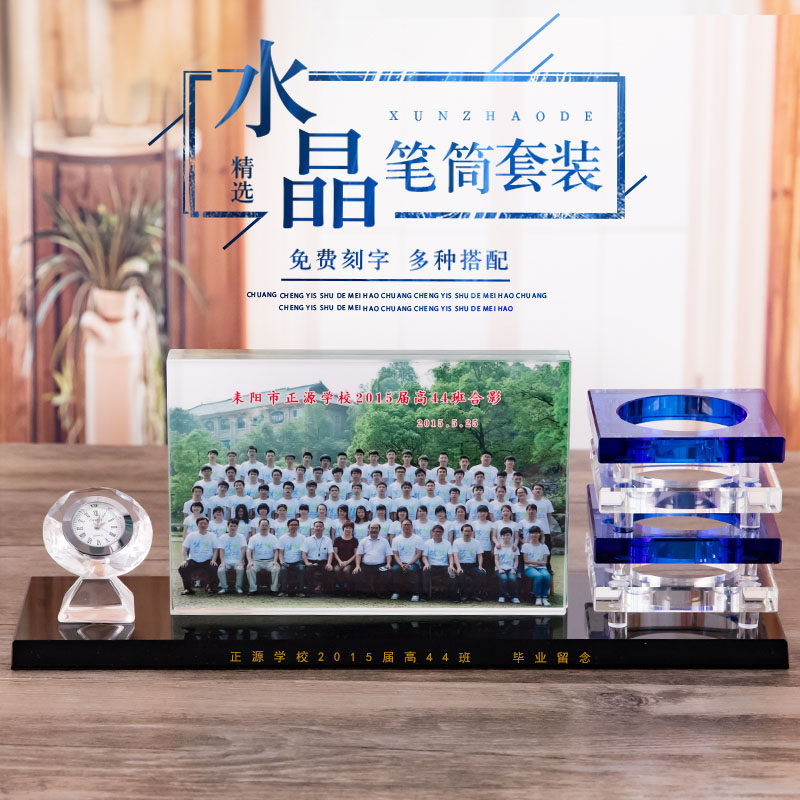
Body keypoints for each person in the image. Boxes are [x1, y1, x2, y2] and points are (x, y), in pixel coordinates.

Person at [179, 516, 219, 595]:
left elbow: (215, 550)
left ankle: (209, 587)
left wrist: (213, 560)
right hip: (193, 560)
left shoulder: (212, 536)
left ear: (208, 525)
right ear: (197, 525)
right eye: (201, 523)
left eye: (205, 523)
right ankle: (187, 588)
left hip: (207, 560)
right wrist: (184, 560)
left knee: (214, 567)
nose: (203, 525)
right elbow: (185, 548)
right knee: (182, 568)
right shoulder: (191, 535)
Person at [353, 523, 392, 595]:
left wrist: (388, 564)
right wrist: (357, 566)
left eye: (376, 528)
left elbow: (388, 554)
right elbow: (358, 554)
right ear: (368, 529)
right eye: (372, 528)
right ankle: (365, 593)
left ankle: (381, 594)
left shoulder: (384, 541)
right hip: (366, 565)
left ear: (379, 530)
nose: (374, 530)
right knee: (357, 572)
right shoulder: (363, 540)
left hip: (380, 565)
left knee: (386, 573)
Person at [390, 518, 423, 601]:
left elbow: (418, 554)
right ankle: (396, 592)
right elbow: (395, 554)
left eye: (408, 525)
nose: (406, 526)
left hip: (413, 563)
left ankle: (415, 593)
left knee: (411, 569)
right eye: (404, 525)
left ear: (412, 526)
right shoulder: (396, 539)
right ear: (401, 527)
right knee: (395, 569)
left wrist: (408, 564)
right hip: (400, 563)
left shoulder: (418, 538)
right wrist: (401, 564)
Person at [245, 519, 281, 594]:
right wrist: (250, 561)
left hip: (269, 561)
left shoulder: (273, 538)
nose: (264, 527)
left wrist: (275, 561)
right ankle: (253, 589)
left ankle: (274, 589)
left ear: (268, 527)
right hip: (257, 561)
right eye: (262, 525)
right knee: (250, 568)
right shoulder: (253, 538)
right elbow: (249, 550)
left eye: (266, 525)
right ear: (258, 526)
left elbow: (276, 551)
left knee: (276, 568)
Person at [452, 522, 486, 601]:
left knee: (481, 573)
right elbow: (455, 556)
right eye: (465, 531)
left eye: (469, 531)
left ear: (472, 532)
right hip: (461, 565)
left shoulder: (476, 542)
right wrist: (458, 567)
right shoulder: (457, 542)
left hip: (473, 565)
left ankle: (475, 594)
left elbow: (480, 555)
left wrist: (480, 566)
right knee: (460, 574)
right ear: (462, 532)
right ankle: (464, 595)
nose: (467, 533)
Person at [421, 524, 455, 599]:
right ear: (432, 532)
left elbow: (450, 556)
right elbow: (424, 557)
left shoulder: (447, 543)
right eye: (436, 531)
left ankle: (453, 596)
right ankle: (425, 595)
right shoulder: (427, 543)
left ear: (443, 533)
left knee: (452, 572)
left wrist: (451, 565)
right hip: (431, 566)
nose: (438, 533)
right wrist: (426, 564)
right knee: (425, 571)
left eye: (440, 532)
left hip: (444, 566)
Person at [302, 520, 334, 593]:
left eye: (320, 526)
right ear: (313, 528)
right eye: (316, 526)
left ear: (323, 528)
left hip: (323, 561)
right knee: (307, 570)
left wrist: (329, 563)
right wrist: (306, 562)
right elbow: (303, 553)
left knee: (329, 570)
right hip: (311, 561)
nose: (318, 528)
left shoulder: (328, 540)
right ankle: (310, 590)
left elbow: (330, 553)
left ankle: (326, 590)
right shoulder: (307, 540)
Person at [522, 526, 551, 606]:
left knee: (547, 576)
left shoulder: (544, 546)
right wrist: (538, 563)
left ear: (539, 534)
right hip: (529, 568)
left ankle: (544, 597)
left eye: (536, 533)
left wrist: (533, 563)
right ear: (529, 534)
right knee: (538, 576)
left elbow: (545, 562)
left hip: (542, 568)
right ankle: (538, 597)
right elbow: (526, 561)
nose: (534, 535)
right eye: (532, 533)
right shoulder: (526, 546)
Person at [276, 518, 306, 597]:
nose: (293, 526)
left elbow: (304, 552)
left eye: (295, 525)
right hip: (286, 562)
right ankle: (283, 591)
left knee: (301, 569)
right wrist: (282, 561)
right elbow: (280, 553)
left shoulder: (302, 538)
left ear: (298, 526)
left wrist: (304, 561)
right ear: (288, 526)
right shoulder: (282, 538)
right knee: (283, 570)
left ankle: (300, 591)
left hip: (298, 561)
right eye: (291, 525)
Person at [216, 519, 247, 594]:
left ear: (237, 527)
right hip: (226, 561)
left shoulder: (241, 537)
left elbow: (243, 550)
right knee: (220, 570)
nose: (232, 527)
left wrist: (241, 561)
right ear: (228, 526)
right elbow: (221, 550)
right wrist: (222, 562)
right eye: (231, 526)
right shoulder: (222, 537)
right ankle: (224, 587)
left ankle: (238, 587)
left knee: (240, 569)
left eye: (234, 526)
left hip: (238, 560)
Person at [494, 527, 520, 604]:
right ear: (501, 536)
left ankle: (514, 597)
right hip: (500, 568)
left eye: (508, 535)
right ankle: (502, 596)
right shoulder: (498, 547)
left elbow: (516, 560)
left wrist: (514, 569)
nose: (506, 537)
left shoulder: (514, 548)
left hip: (511, 568)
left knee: (512, 578)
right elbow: (496, 560)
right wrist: (499, 569)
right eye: (504, 535)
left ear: (511, 536)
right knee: (504, 578)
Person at [332, 520, 358, 594]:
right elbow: (335, 553)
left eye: (350, 528)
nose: (348, 529)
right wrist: (340, 561)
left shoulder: (355, 540)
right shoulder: (337, 539)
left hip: (350, 562)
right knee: (336, 569)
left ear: (352, 529)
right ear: (343, 528)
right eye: (346, 527)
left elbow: (355, 554)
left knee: (346, 570)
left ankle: (349, 588)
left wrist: (347, 562)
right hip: (339, 561)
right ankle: (341, 588)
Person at [472, 505, 496, 576]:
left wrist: (492, 549)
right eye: (480, 512)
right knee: (477, 570)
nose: (482, 513)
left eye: (484, 512)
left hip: (487, 549)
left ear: (487, 513)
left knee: (488, 569)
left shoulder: (491, 524)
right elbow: (472, 537)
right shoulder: (473, 524)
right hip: (476, 550)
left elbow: (492, 538)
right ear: (477, 513)